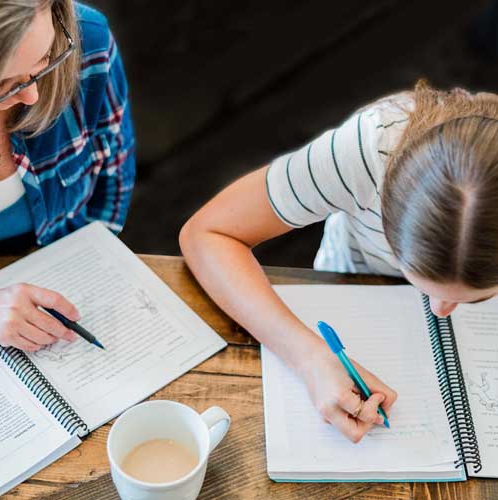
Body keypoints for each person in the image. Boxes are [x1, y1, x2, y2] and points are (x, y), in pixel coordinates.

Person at [180, 81, 498, 443]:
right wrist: (310, 360)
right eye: (423, 282)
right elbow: (207, 234)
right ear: (382, 205)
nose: (440, 310)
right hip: (349, 284)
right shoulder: (366, 151)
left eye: (477, 296)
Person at [0, 1, 135, 353]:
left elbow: (114, 175)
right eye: (3, 86)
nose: (32, 95)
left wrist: (88, 267)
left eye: (43, 62)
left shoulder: (87, 40)